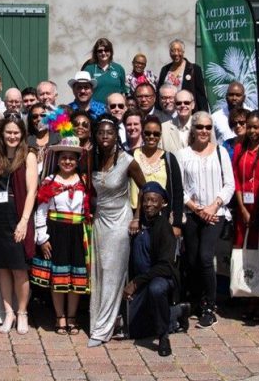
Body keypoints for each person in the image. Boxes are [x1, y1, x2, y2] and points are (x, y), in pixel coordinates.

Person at [88, 114, 146, 347]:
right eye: (100, 132)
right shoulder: (92, 159)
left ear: (116, 136)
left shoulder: (127, 160)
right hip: (100, 221)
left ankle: (104, 328)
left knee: (113, 273)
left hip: (121, 221)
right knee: (100, 271)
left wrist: (138, 216)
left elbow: (145, 188)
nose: (104, 136)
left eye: (109, 133)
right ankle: (105, 320)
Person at [178, 111, 235, 328]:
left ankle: (210, 306)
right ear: (193, 128)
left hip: (215, 214)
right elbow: (180, 186)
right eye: (200, 127)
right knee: (191, 260)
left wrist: (213, 205)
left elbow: (229, 184)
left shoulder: (220, 153)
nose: (204, 131)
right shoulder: (183, 154)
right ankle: (196, 299)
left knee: (205, 257)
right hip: (192, 214)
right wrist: (193, 206)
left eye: (208, 128)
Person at [32, 135, 88, 336]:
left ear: (77, 160)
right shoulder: (50, 180)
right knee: (58, 276)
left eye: (72, 158)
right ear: (58, 159)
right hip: (56, 231)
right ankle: (60, 316)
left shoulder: (84, 181)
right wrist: (42, 237)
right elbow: (41, 210)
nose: (67, 161)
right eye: (64, 157)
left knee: (75, 276)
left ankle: (72, 316)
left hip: (76, 232)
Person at [125, 182, 186, 357]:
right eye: (146, 200)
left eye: (154, 200)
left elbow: (165, 266)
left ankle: (164, 336)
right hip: (142, 280)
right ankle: (176, 313)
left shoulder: (163, 227)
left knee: (156, 289)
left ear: (162, 204)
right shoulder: (138, 224)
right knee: (136, 331)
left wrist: (136, 283)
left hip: (159, 278)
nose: (149, 204)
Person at [231, 110, 259, 322]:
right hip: (244, 210)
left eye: (256, 127)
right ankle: (248, 297)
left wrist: (257, 211)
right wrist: (243, 209)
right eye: (249, 126)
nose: (251, 130)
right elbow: (237, 182)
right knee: (245, 252)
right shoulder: (240, 148)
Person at [130, 116, 184, 236]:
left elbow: (178, 192)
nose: (152, 137)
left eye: (156, 134)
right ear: (142, 134)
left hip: (162, 216)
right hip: (135, 216)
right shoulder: (131, 156)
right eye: (148, 133)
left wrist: (176, 223)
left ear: (160, 136)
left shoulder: (169, 158)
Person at [157, 39, 208, 112]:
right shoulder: (165, 70)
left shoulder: (194, 69)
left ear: (183, 52)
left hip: (186, 111)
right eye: (173, 51)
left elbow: (201, 95)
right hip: (167, 112)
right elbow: (159, 92)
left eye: (179, 50)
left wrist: (203, 114)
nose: (176, 53)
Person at [81, 38, 126, 105]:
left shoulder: (119, 68)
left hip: (114, 109)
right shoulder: (88, 69)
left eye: (107, 50)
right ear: (96, 53)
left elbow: (123, 92)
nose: (103, 53)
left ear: (111, 52)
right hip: (95, 110)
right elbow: (82, 91)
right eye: (100, 51)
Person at [26, 103, 60, 174]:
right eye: (35, 116)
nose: (39, 119)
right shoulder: (25, 140)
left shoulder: (59, 138)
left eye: (43, 115)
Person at [161, 90, 198, 154]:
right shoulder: (163, 128)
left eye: (186, 103)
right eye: (179, 103)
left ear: (193, 105)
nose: (182, 106)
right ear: (175, 106)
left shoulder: (202, 126)